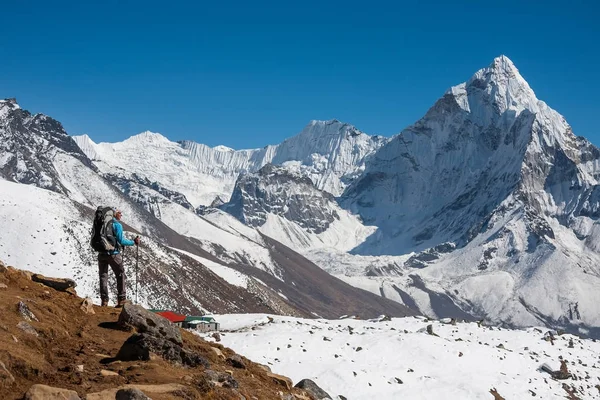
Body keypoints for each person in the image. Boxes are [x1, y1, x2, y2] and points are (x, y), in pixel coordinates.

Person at [98, 209, 140, 307]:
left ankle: (104, 300)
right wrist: (133, 242)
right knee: (120, 274)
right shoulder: (117, 225)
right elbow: (121, 240)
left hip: (101, 253)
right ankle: (121, 299)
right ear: (115, 214)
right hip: (113, 254)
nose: (121, 215)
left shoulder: (102, 223)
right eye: (120, 213)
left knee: (103, 276)